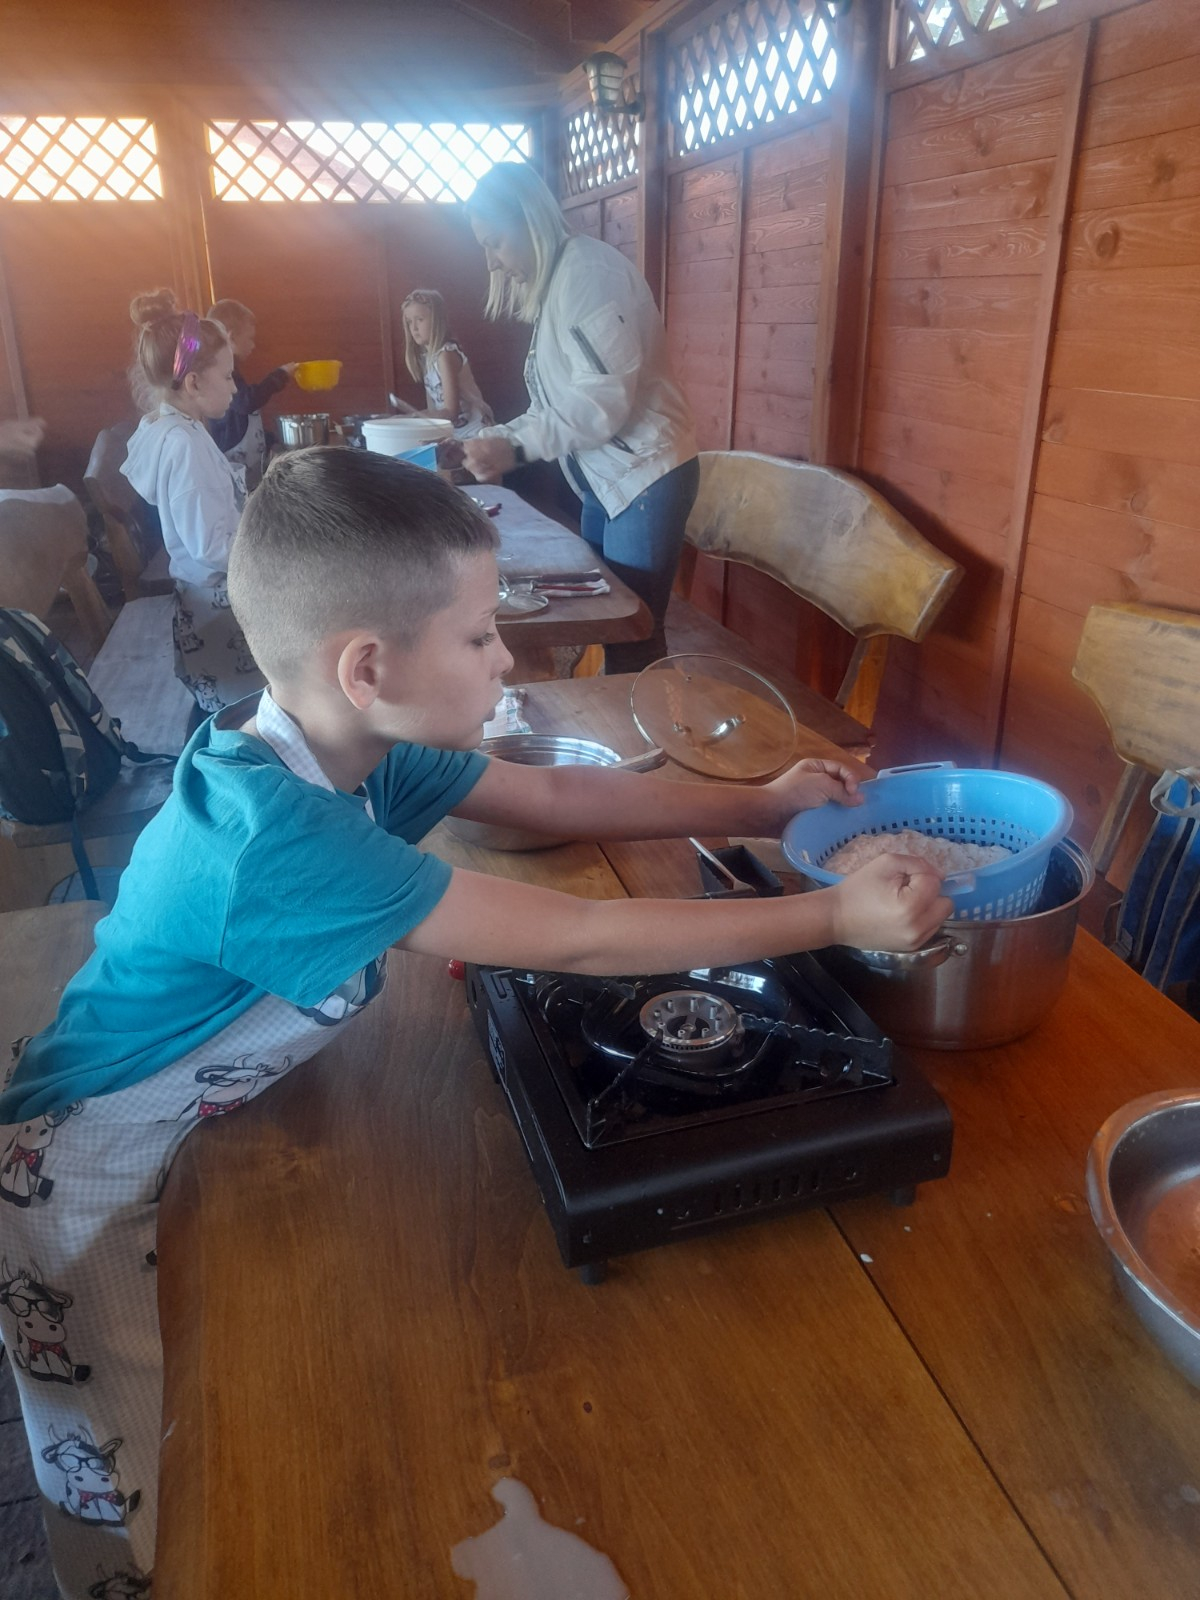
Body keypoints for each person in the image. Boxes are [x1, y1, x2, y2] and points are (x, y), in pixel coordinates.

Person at [0, 449, 949, 1598]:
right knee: (140, 1478)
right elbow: (581, 937)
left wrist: (765, 800)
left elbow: (554, 791)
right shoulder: (274, 838)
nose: (506, 659)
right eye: (481, 635)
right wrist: (832, 914)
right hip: (88, 1184)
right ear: (368, 666)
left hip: (193, 1134)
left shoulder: (346, 748)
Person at [462, 162, 698, 674]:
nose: (493, 262)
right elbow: (554, 407)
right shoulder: (560, 281)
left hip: (643, 479)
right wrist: (494, 437)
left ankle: (640, 724)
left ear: (530, 220)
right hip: (606, 481)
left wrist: (514, 448)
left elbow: (600, 404)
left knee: (632, 631)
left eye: (496, 243)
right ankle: (608, 714)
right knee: (602, 620)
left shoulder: (586, 276)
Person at [120, 289, 266, 715]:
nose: (235, 387)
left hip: (204, 600)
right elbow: (210, 546)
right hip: (216, 606)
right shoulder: (183, 444)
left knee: (221, 707)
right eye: (228, 376)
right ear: (194, 382)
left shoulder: (179, 427)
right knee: (235, 713)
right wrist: (269, 548)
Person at [206, 298, 297, 491]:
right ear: (231, 338)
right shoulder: (222, 374)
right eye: (249, 338)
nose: (253, 345)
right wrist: (279, 376)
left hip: (249, 470)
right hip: (232, 470)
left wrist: (270, 440)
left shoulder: (233, 372)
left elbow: (245, 419)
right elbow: (246, 402)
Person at [394, 287, 494, 437]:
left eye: (420, 320)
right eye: (409, 322)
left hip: (476, 432)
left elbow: (451, 412)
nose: (413, 328)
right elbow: (434, 411)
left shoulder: (446, 355)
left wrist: (411, 418)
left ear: (436, 320)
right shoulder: (427, 359)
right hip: (454, 433)